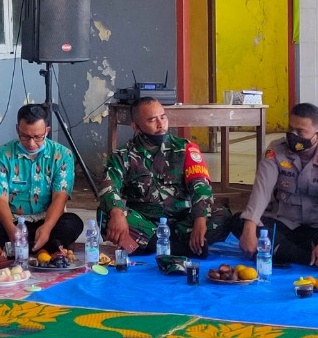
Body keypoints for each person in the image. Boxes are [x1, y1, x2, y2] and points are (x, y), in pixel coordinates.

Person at [96, 97, 227, 257]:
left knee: (222, 214)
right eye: (152, 120)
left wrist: (200, 220)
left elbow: (200, 186)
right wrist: (117, 213)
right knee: (106, 215)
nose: (161, 125)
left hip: (183, 223)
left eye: (163, 117)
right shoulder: (123, 155)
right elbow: (109, 187)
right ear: (136, 127)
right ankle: (181, 248)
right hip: (146, 224)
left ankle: (153, 246)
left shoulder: (185, 148)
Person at [240, 103, 318, 268]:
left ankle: (283, 252)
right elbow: (261, 189)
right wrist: (250, 227)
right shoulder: (276, 150)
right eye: (290, 129)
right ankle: (309, 257)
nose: (293, 135)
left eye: (300, 132)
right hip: (285, 223)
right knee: (241, 223)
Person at [0, 104, 83, 254]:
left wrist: (47, 228)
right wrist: (11, 230)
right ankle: (38, 248)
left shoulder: (62, 155)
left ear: (46, 131)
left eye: (38, 137)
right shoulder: (0, 155)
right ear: (17, 130)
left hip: (45, 221)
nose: (31, 143)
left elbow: (60, 197)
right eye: (25, 136)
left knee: (73, 223)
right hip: (12, 221)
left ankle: (28, 248)